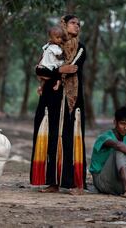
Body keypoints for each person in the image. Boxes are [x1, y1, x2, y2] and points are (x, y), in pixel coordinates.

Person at [30, 14, 86, 195]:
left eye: (79, 24)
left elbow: (72, 68)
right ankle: (52, 183)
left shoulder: (80, 48)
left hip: (70, 100)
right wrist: (59, 70)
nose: (76, 26)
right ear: (63, 25)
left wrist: (54, 72)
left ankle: (74, 184)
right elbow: (39, 69)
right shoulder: (52, 46)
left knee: (69, 138)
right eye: (72, 23)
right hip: (49, 98)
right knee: (50, 137)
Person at [36, 26, 65, 96]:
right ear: (51, 38)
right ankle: (58, 83)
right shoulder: (55, 47)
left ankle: (41, 87)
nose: (60, 40)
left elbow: (43, 53)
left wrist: (39, 62)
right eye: (57, 38)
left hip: (43, 66)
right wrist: (64, 55)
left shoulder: (48, 45)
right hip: (50, 67)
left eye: (61, 38)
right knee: (58, 73)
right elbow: (59, 56)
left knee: (44, 79)